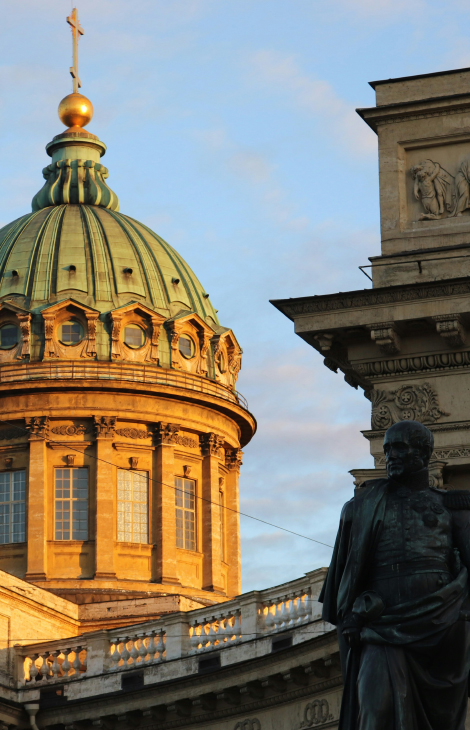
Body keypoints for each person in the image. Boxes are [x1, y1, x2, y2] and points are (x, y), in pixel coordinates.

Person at [319, 420, 470, 730]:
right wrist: (356, 610)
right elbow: (342, 585)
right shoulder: (358, 508)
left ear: (424, 453)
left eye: (400, 447)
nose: (391, 456)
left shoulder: (451, 508)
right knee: (375, 713)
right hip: (381, 625)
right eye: (387, 449)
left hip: (442, 627)